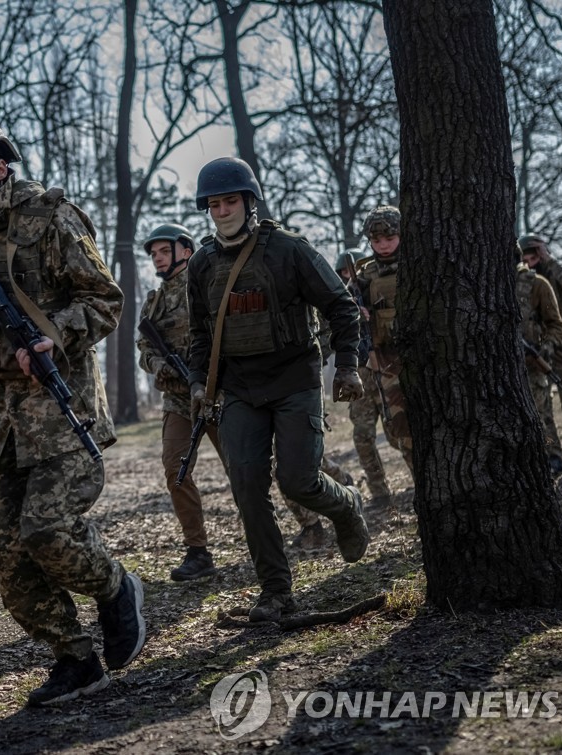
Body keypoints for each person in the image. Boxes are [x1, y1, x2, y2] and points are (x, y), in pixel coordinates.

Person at [0, 116, 145, 706]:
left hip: (56, 406)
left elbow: (105, 299)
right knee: (9, 563)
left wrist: (55, 335)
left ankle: (118, 587)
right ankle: (74, 660)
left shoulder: (51, 217)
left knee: (46, 531)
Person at [185, 157, 369, 623]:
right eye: (214, 204)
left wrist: (346, 366)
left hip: (293, 380)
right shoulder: (203, 263)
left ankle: (347, 505)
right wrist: (196, 383)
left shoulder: (289, 250)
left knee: (298, 481)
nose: (222, 210)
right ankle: (276, 592)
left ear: (249, 203)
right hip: (240, 389)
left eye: (230, 201)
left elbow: (341, 308)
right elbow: (200, 335)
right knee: (247, 489)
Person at [136, 223, 221, 581]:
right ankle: (198, 552)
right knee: (176, 469)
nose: (157, 258)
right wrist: (158, 366)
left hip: (219, 392)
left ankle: (277, 535)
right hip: (177, 399)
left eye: (164, 251)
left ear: (185, 250)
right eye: (153, 254)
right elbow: (145, 349)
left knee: (247, 468)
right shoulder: (153, 303)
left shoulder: (208, 285)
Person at [355, 206, 414, 478]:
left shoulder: (417, 266)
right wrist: (357, 313)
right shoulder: (365, 276)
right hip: (387, 363)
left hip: (424, 356)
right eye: (377, 241)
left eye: (389, 239)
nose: (383, 246)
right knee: (402, 428)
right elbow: (341, 310)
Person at [335, 249, 393, 504]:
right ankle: (379, 490)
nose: (349, 277)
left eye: (351, 272)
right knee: (362, 435)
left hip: (387, 368)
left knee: (397, 433)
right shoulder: (340, 302)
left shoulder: (378, 290)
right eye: (344, 273)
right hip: (360, 374)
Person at [521, 233, 562, 471]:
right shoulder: (529, 283)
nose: (532, 262)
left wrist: (548, 260)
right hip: (550, 351)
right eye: (527, 258)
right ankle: (553, 457)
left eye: (535, 256)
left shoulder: (557, 274)